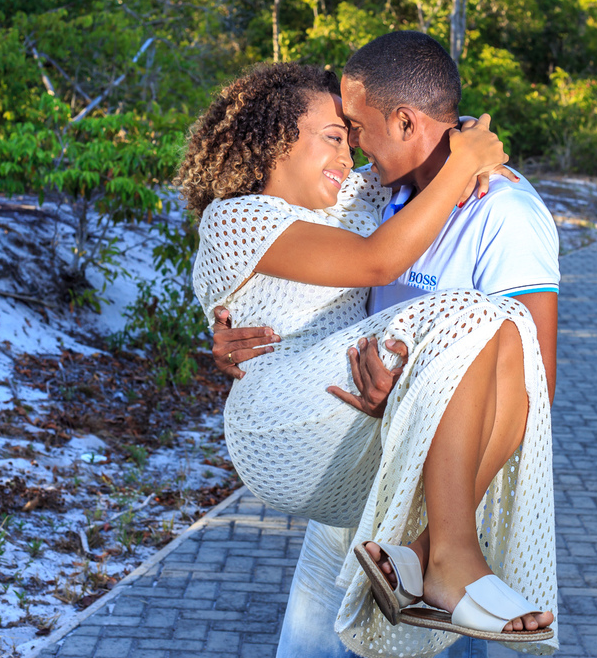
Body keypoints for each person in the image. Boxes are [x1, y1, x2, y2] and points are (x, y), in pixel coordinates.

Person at [177, 50, 557, 658]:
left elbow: (535, 382)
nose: (350, 154)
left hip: (380, 466)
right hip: (292, 421)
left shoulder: (366, 198)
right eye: (337, 134)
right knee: (478, 315)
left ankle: (432, 553)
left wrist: (469, 147)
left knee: (500, 325)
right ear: (275, 139)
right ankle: (448, 559)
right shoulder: (236, 217)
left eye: (353, 137)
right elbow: (379, 260)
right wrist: (464, 164)